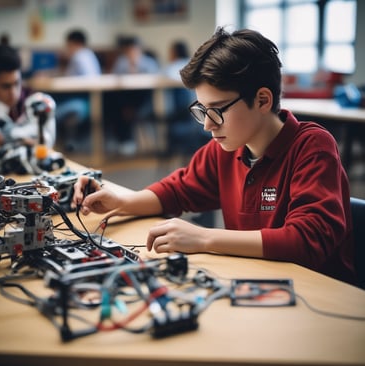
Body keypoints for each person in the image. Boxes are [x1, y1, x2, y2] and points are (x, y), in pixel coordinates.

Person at [72, 28, 356, 286]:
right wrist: (123, 201)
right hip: (257, 284)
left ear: (262, 100)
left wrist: (205, 238)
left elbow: (307, 240)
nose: (208, 124)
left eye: (218, 109)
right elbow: (177, 191)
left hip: (319, 293)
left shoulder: (312, 147)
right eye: (202, 110)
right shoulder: (226, 149)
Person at [0, 44, 55, 149]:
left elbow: (46, 141)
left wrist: (6, 138)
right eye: (5, 86)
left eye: (17, 83)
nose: (14, 93)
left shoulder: (35, 102)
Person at [105, 35, 159, 155]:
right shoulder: (121, 62)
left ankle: (134, 140)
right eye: (128, 50)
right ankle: (125, 141)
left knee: (138, 102)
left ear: (139, 49)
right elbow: (115, 80)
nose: (131, 53)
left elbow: (155, 82)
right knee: (112, 103)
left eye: (134, 49)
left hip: (144, 100)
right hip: (125, 100)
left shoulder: (149, 63)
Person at [54, 29, 101, 151]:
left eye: (68, 45)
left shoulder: (78, 57)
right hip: (93, 100)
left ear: (76, 44)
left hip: (81, 101)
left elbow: (68, 79)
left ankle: (56, 145)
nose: (67, 48)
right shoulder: (89, 54)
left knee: (49, 106)